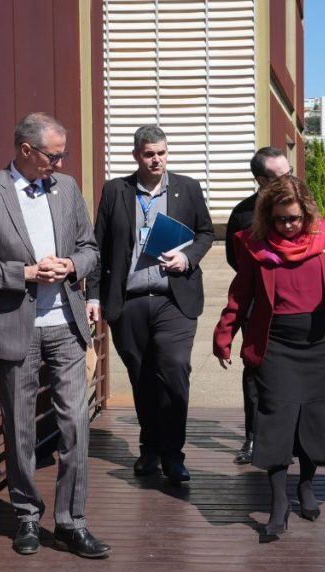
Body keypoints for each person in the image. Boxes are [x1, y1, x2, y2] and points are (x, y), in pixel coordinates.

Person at [0, 112, 109, 558]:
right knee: (20, 429)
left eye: (62, 155)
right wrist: (22, 272)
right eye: (53, 156)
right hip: (15, 328)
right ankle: (26, 515)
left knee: (75, 425)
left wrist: (71, 266)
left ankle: (72, 522)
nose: (59, 164)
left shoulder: (67, 190)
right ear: (26, 150)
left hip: (66, 323)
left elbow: (90, 249)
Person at [214, 175, 325, 543]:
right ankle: (279, 503)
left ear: (306, 212)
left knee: (313, 420)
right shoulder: (251, 243)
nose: (289, 226)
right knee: (275, 421)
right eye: (280, 219)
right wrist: (224, 334)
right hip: (274, 344)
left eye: (294, 218)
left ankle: (306, 486)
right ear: (267, 216)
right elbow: (240, 293)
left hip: (317, 341)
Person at [86, 125, 214, 485]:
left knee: (174, 370)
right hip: (128, 302)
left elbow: (205, 233)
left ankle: (174, 453)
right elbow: (99, 247)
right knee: (141, 377)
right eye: (148, 154)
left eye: (161, 152)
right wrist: (93, 295)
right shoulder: (116, 191)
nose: (156, 159)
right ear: (136, 156)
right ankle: (150, 448)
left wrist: (186, 257)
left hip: (173, 299)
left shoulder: (187, 188)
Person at [224, 147, 293, 465]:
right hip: (256, 307)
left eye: (290, 172)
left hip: (295, 305)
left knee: (294, 372)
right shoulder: (242, 214)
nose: (289, 180)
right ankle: (252, 438)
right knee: (255, 372)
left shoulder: (302, 207)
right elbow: (233, 260)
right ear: (261, 180)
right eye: (281, 176)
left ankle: (290, 438)